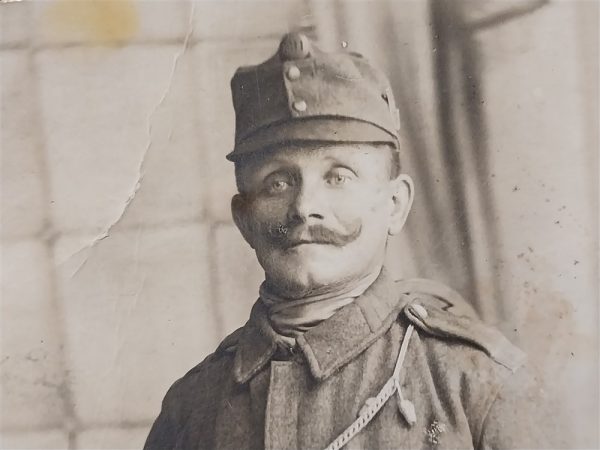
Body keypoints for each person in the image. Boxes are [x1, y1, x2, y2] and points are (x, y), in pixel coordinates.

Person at [144, 32, 547, 450]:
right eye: (277, 183)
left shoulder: (476, 382)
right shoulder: (191, 407)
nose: (304, 207)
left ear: (394, 204)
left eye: (338, 177)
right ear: (244, 219)